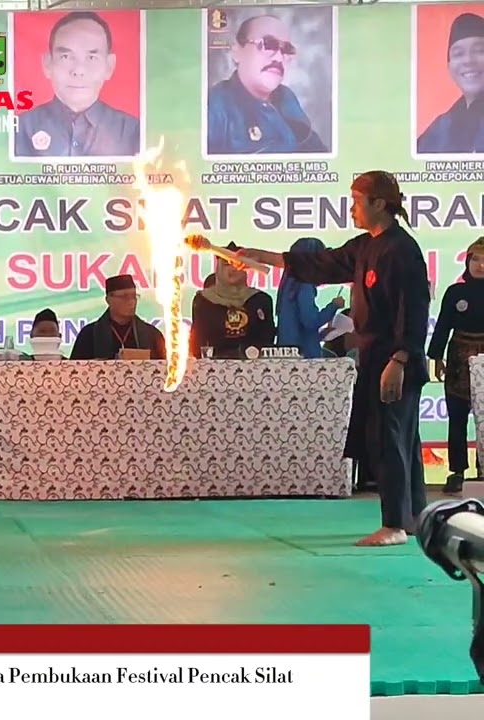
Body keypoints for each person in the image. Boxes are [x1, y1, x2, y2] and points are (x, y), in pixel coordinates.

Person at [197, 171, 430, 546]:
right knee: (396, 437)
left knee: (391, 438)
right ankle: (414, 516)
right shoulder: (364, 247)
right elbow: (320, 263)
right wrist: (261, 257)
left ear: (379, 204)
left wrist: (400, 359)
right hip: (373, 355)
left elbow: (414, 310)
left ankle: (395, 525)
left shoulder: (402, 251)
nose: (351, 208)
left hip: (395, 357)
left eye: (357, 201)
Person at [14, 12, 140, 158]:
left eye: (92, 57)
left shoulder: (134, 131)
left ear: (109, 66)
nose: (79, 70)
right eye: (66, 56)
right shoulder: (19, 130)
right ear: (47, 64)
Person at [205, 14, 327, 156]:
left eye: (286, 49)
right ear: (237, 52)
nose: (279, 57)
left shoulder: (287, 97)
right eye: (268, 44)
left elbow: (321, 157)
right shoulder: (214, 108)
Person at [427, 237, 484, 494]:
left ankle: (482, 470)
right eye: (476, 259)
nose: (480, 265)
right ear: (468, 261)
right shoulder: (455, 292)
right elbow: (442, 327)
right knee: (457, 416)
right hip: (459, 357)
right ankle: (457, 471)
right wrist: (436, 357)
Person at [189, 244, 275, 358]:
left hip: (254, 366)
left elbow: (267, 338)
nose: (232, 269)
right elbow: (197, 341)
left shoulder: (260, 299)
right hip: (212, 368)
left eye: (236, 265)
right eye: (226, 265)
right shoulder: (204, 300)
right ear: (218, 268)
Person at [417, 12, 484, 155]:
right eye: (458, 54)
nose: (468, 61)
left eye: (480, 51)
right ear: (449, 66)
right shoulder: (439, 129)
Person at [275, 237, 343, 358]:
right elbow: (310, 321)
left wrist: (320, 335)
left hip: (288, 355)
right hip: (305, 357)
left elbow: (295, 326)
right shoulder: (305, 284)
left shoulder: (287, 285)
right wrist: (333, 306)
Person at [69, 274, 165, 360]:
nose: (131, 302)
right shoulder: (88, 335)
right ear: (108, 300)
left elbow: (165, 371)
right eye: (124, 297)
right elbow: (75, 373)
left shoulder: (152, 335)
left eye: (134, 296)